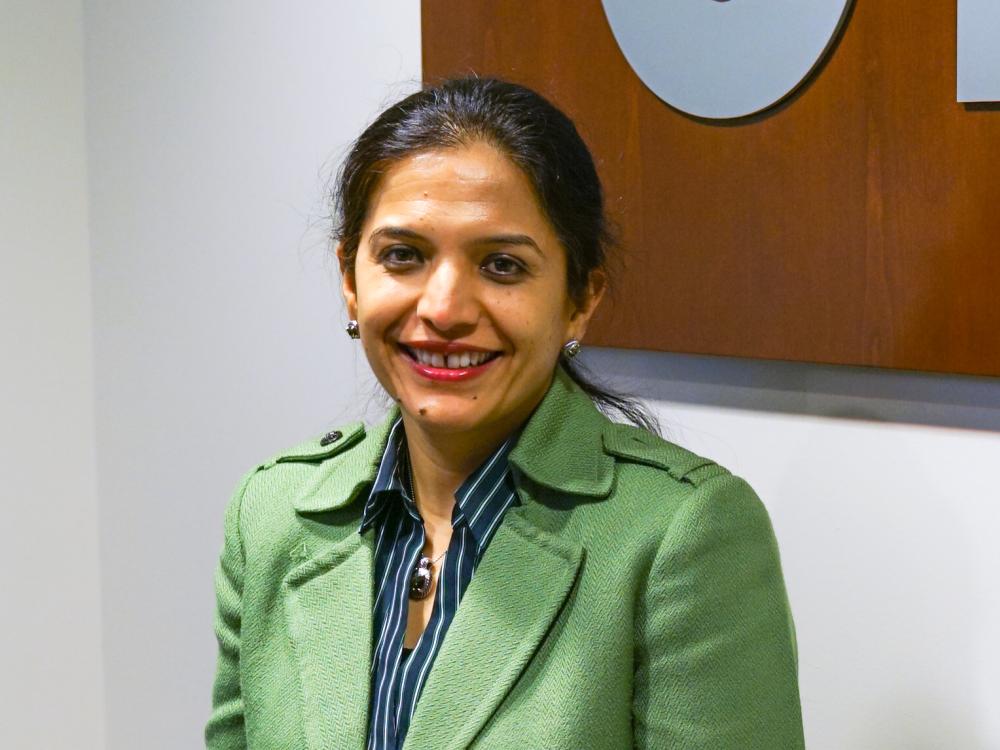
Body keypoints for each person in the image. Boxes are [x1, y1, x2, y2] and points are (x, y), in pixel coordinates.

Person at [205, 76, 805, 749]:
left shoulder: (681, 537)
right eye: (403, 256)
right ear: (350, 279)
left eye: (501, 266)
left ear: (580, 298)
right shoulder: (271, 515)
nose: (444, 310)